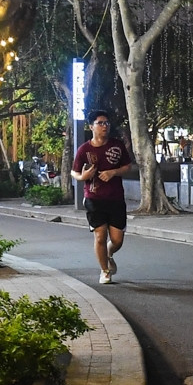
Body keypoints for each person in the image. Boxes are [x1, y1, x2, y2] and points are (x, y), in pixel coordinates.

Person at [71, 111, 134, 284]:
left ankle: (109, 253)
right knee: (100, 236)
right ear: (91, 126)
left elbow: (128, 166)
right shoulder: (84, 149)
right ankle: (105, 271)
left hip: (115, 198)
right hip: (93, 198)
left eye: (107, 123)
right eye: (100, 123)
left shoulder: (117, 145)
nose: (105, 126)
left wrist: (113, 172)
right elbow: (74, 172)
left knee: (117, 240)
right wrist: (83, 177)